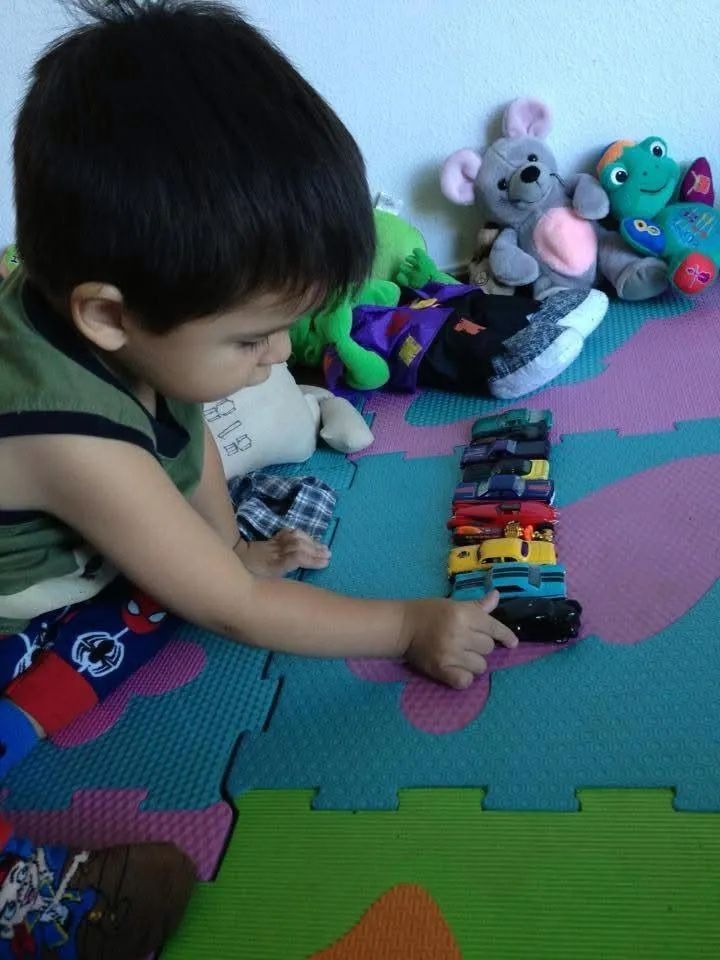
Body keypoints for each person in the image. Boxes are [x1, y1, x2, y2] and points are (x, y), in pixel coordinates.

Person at [0, 1, 518, 955]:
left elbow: (184, 436)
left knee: (167, 585)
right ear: (107, 315)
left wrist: (226, 545)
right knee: (180, 596)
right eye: (251, 336)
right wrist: (407, 623)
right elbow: (235, 609)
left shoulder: (128, 329)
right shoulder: (69, 438)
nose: (281, 355)